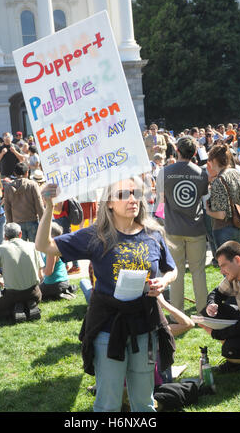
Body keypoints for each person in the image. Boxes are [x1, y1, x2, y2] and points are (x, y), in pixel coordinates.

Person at [35, 176, 177, 412]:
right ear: (109, 202)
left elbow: (171, 269)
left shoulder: (153, 233)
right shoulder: (95, 235)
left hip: (145, 325)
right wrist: (49, 207)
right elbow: (44, 246)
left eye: (136, 193)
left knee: (144, 402)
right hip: (108, 328)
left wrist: (164, 281)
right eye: (123, 194)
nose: (132, 199)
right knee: (108, 403)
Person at [157, 135, 209, 316]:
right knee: (198, 272)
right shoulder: (203, 174)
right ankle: (203, 311)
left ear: (177, 150)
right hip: (196, 229)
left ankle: (176, 313)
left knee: (175, 272)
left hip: (173, 229)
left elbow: (160, 204)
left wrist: (162, 223)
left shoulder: (164, 172)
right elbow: (203, 200)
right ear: (195, 152)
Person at [199, 241, 240, 373]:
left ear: (237, 260)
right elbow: (217, 293)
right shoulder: (235, 275)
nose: (221, 271)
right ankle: (236, 355)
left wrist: (216, 334)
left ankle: (239, 360)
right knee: (207, 313)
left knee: (231, 348)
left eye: (223, 266)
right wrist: (212, 304)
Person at [0, 222, 44, 322]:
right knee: (26, 297)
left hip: (12, 295)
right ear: (20, 234)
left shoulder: (1, 249)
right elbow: (41, 275)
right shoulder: (32, 246)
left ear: (5, 236)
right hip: (34, 293)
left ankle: (17, 308)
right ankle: (27, 306)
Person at [206, 144, 240, 248]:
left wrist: (208, 211)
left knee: (227, 263)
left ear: (214, 160)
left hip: (223, 228)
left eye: (210, 159)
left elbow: (222, 215)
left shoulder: (219, 181)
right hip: (239, 225)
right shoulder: (236, 173)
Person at [4, 162, 45, 242]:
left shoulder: (8, 187)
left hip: (16, 223)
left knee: (20, 251)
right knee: (35, 249)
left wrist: (10, 224)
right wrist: (43, 222)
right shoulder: (33, 185)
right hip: (32, 221)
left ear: (15, 173)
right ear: (27, 172)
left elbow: (7, 209)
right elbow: (39, 205)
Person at [40, 222, 78, 300]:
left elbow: (48, 272)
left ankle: (58, 293)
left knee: (35, 290)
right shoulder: (60, 245)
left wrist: (40, 269)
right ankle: (63, 292)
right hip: (64, 282)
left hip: (55, 284)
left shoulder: (51, 250)